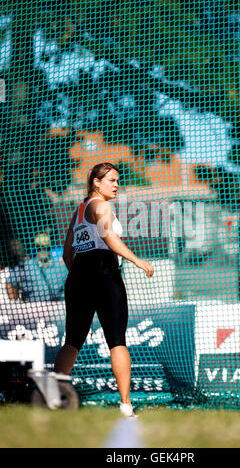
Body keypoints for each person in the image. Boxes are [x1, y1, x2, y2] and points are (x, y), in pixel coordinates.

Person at [53, 162, 154, 418]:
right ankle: (126, 406)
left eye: (117, 180)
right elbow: (109, 238)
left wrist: (80, 275)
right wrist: (137, 260)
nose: (116, 184)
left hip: (78, 276)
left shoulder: (79, 210)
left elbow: (68, 254)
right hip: (104, 273)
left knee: (72, 341)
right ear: (96, 182)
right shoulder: (102, 205)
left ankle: (51, 398)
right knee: (117, 341)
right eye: (111, 180)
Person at [7, 233, 67, 302]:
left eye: (46, 247)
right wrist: (14, 301)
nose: (43, 250)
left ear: (50, 248)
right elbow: (10, 282)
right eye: (39, 248)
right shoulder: (26, 266)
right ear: (35, 249)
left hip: (56, 306)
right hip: (33, 307)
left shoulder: (60, 266)